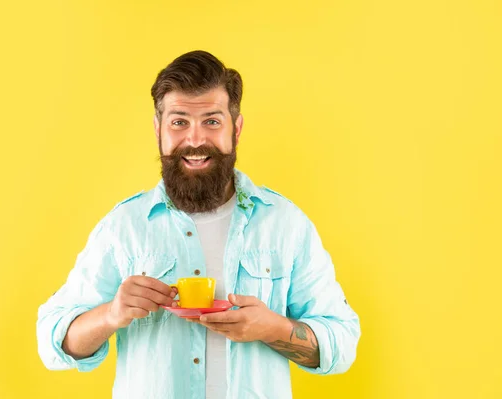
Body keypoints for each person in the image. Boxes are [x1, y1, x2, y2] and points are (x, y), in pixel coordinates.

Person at [36, 50, 360, 399]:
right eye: (179, 122)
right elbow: (52, 341)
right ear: (158, 128)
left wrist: (273, 328)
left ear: (235, 128)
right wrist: (111, 315)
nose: (194, 140)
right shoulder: (124, 227)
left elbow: (341, 344)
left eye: (211, 121)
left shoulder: (285, 224)